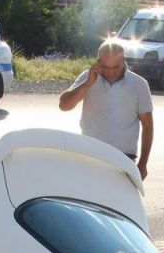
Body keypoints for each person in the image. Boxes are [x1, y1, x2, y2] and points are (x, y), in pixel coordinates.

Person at [58, 40, 153, 181]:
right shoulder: (87, 77)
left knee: (119, 202)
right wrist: (88, 83)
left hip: (123, 160)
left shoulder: (139, 85)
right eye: (105, 67)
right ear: (97, 62)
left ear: (124, 61)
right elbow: (64, 105)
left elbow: (148, 125)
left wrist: (143, 164)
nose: (111, 72)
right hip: (90, 157)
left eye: (116, 67)